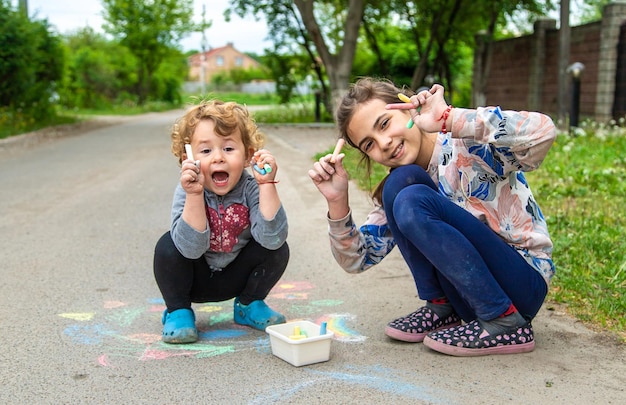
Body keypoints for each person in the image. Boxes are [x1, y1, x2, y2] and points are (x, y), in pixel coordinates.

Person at [308, 78, 556, 356]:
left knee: (410, 197)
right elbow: (357, 259)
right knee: (399, 184)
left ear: (408, 107)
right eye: (369, 144)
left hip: (522, 284)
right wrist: (337, 200)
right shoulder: (407, 187)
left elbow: (543, 132)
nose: (384, 143)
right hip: (467, 298)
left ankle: (505, 321)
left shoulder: (466, 143)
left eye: (384, 124)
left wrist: (451, 118)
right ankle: (442, 308)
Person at [154, 100, 289, 344]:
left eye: (228, 149)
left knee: (279, 248)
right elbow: (189, 249)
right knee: (167, 247)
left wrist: (267, 184)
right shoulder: (187, 189)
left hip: (236, 276)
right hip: (196, 278)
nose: (218, 158)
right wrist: (195, 195)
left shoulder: (251, 188)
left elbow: (272, 238)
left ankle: (249, 304)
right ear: (189, 158)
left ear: (248, 155)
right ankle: (178, 311)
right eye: (205, 151)